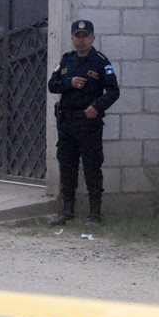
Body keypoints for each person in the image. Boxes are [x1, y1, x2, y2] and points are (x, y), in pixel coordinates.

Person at [47, 19, 120, 227]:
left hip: (88, 123)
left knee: (91, 167)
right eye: (77, 36)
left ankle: (95, 214)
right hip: (67, 122)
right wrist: (69, 83)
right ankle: (67, 211)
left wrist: (97, 106)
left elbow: (114, 91)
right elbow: (52, 86)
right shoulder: (66, 60)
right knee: (68, 166)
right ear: (72, 38)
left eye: (85, 36)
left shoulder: (100, 61)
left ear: (92, 38)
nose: (81, 40)